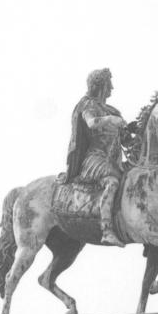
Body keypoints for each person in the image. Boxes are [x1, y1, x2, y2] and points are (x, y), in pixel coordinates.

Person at [62, 68, 128, 237]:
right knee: (113, 182)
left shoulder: (111, 110)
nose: (112, 88)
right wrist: (110, 120)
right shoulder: (87, 105)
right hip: (94, 159)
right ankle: (106, 229)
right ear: (100, 86)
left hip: (113, 160)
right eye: (109, 84)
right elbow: (91, 123)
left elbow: (124, 139)